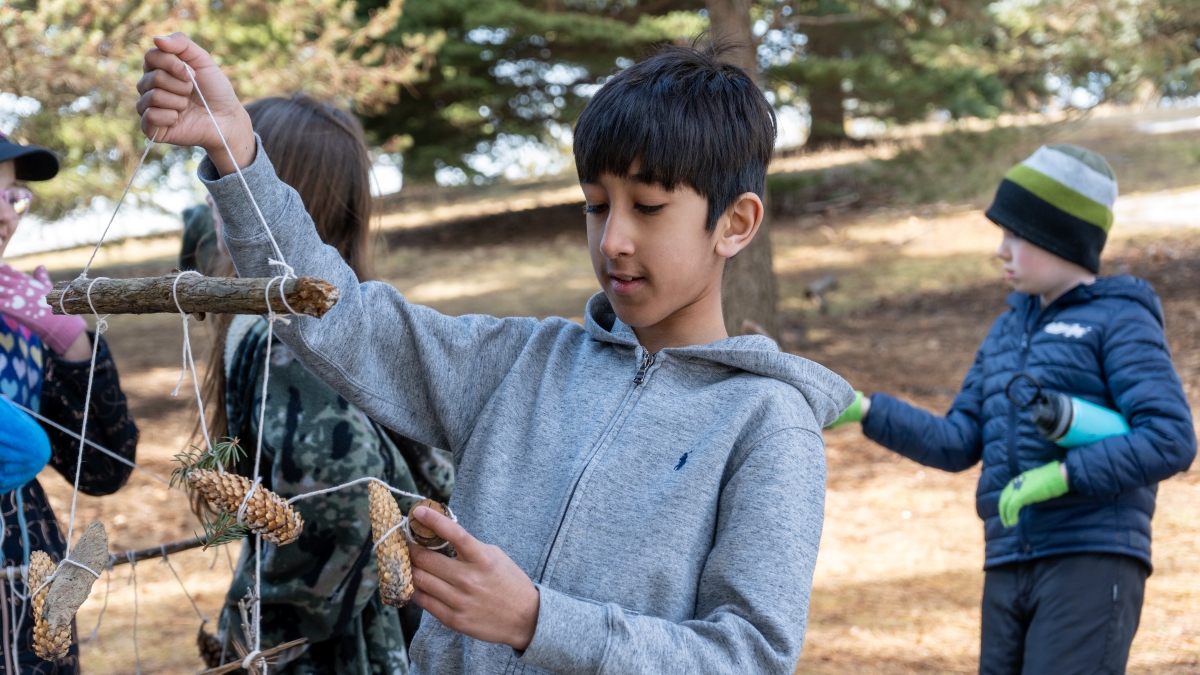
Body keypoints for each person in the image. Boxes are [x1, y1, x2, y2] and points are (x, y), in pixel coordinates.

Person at [138, 34, 852, 674]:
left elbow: (749, 656)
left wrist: (536, 622)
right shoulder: (520, 363)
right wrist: (238, 154)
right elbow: (340, 316)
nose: (612, 240)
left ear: (735, 223)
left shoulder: (768, 424)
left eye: (648, 207)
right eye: (596, 205)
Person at [828, 144, 1196, 674]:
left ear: (1059, 236)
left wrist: (1062, 476)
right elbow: (958, 442)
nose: (1001, 251)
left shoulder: (1120, 319)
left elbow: (1170, 438)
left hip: (1091, 555)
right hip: (1007, 557)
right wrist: (866, 410)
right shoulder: (1006, 330)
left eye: (1014, 235)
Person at [190, 94, 453, 673]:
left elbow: (344, 500)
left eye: (227, 174)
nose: (210, 197)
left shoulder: (287, 340)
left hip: (340, 652)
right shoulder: (338, 325)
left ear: (277, 193)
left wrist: (257, 629)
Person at [0, 132, 139, 674]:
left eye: (12, 197)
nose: (5, 217)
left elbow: (103, 468)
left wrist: (72, 343)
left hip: (32, 601)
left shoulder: (17, 315)